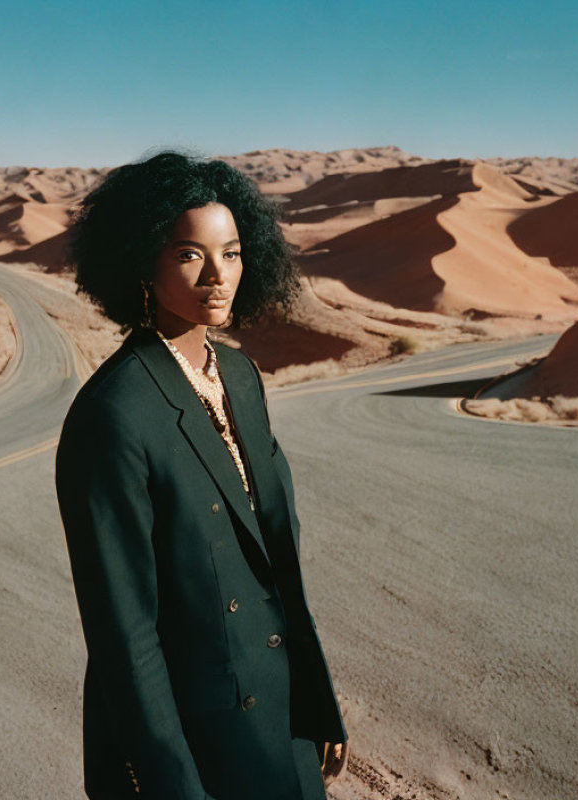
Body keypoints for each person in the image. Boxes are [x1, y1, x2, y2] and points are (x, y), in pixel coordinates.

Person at [55, 150, 349, 800]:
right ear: (142, 259)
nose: (219, 275)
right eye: (190, 254)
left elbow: (276, 561)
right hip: (195, 745)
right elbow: (124, 635)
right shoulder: (113, 416)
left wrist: (316, 698)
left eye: (234, 252)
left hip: (282, 716)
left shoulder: (240, 378)